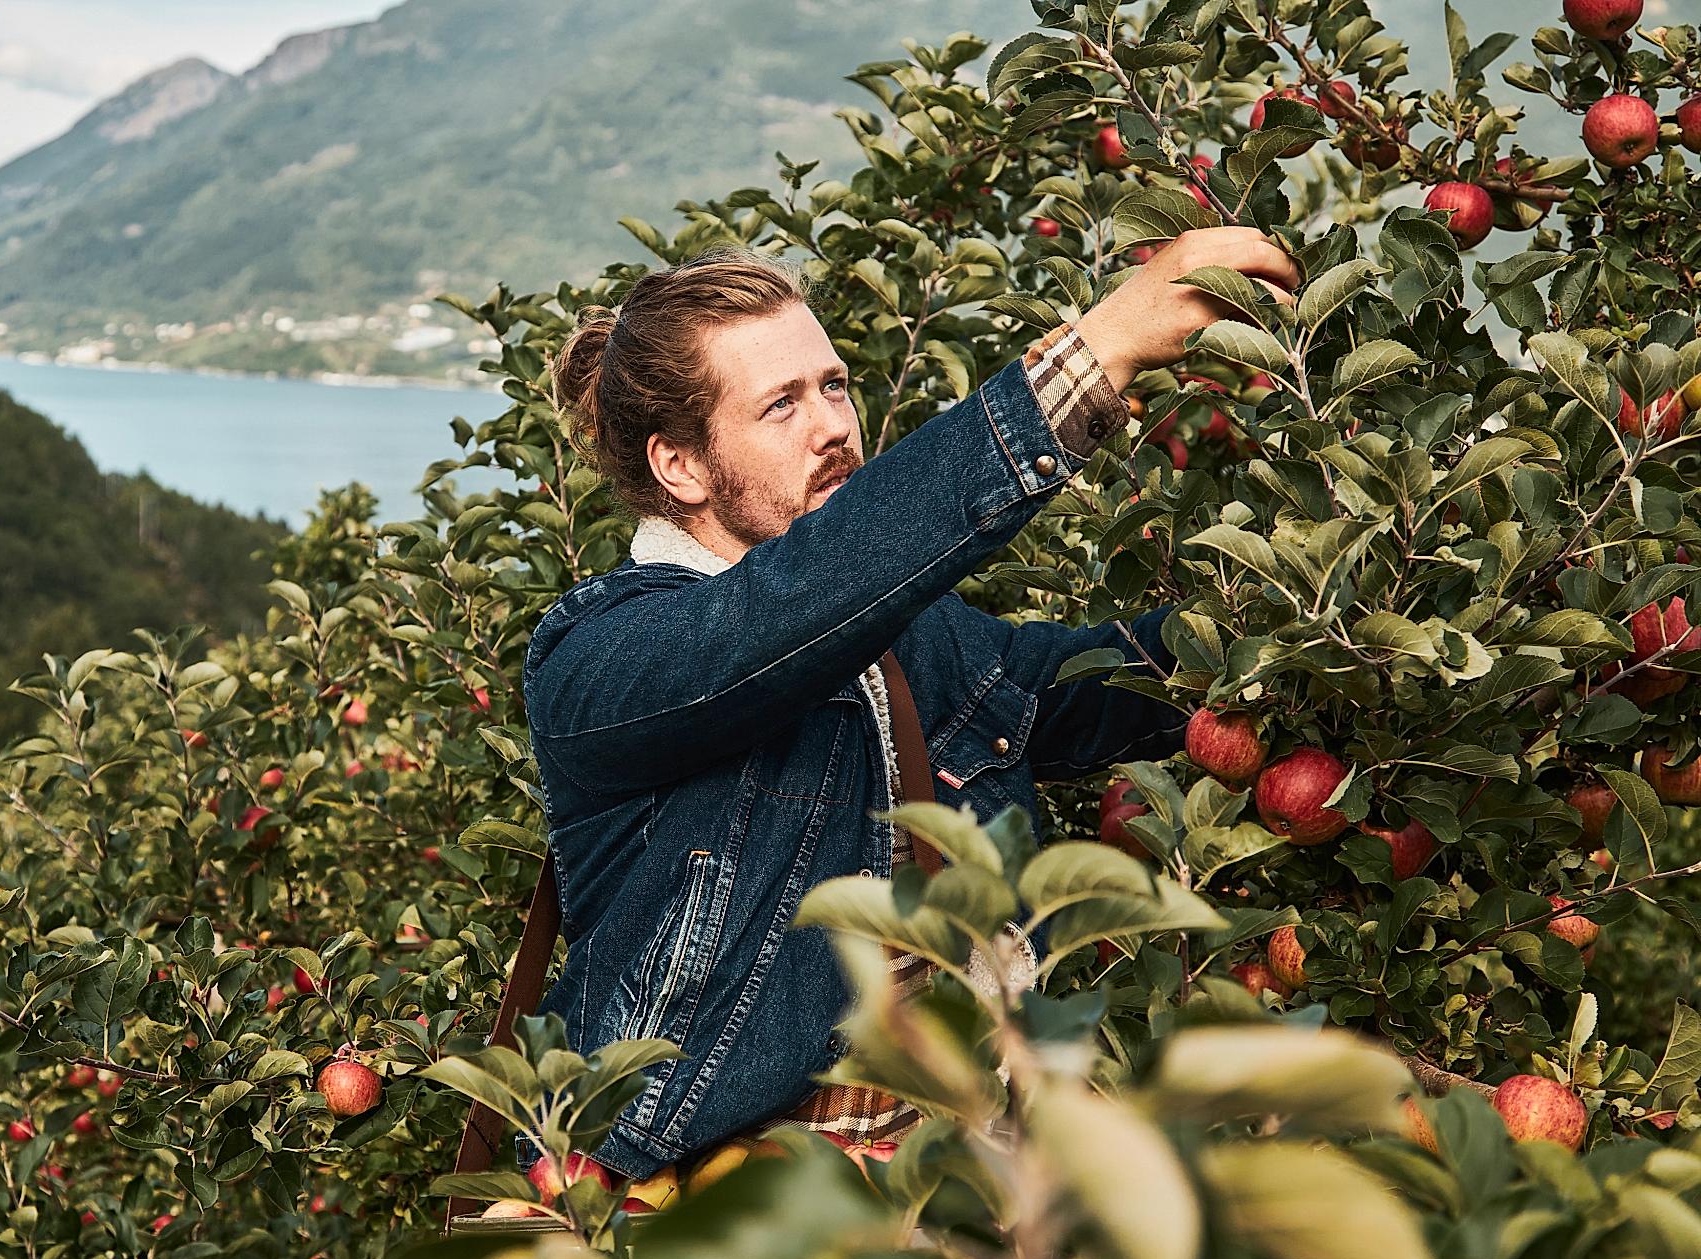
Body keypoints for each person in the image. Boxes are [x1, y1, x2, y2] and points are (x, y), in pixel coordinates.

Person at [518, 229, 1302, 1183]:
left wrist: (1295, 634)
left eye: (835, 385)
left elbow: (1083, 686)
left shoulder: (909, 643)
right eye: (781, 404)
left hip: (945, 1184)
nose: (833, 426)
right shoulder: (603, 659)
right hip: (703, 1206)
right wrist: (1094, 357)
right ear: (681, 467)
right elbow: (790, 606)